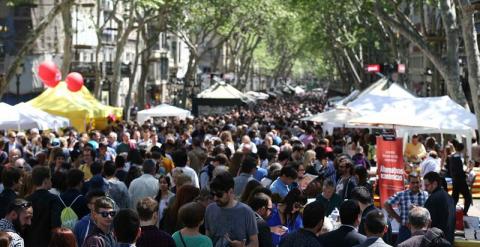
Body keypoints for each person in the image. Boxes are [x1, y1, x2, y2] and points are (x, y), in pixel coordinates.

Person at [204, 172, 259, 247]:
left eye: (219, 195)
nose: (215, 198)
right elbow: (208, 237)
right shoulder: (210, 209)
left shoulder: (246, 212)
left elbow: (255, 243)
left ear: (230, 191)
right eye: (213, 194)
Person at [383, 174, 428, 244]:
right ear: (408, 183)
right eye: (413, 183)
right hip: (405, 229)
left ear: (420, 182)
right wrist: (397, 218)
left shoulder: (425, 195)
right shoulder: (402, 194)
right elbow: (386, 204)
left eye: (417, 182)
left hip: (421, 229)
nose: (415, 185)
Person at [25, 166, 63, 247]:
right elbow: (56, 224)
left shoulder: (27, 199)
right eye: (50, 178)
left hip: (30, 242)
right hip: (47, 242)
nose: (51, 181)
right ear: (45, 180)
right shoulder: (54, 199)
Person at [423, 172, 455, 244]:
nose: (425, 188)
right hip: (448, 240)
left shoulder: (432, 199)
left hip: (436, 241)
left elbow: (427, 222)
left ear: (434, 183)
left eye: (427, 185)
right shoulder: (449, 197)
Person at [447, 142, 472, 215]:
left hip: (455, 180)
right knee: (468, 197)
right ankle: (464, 212)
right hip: (460, 181)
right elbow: (459, 172)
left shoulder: (452, 157)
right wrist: (466, 173)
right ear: (462, 149)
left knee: (455, 198)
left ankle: (451, 212)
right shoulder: (458, 158)